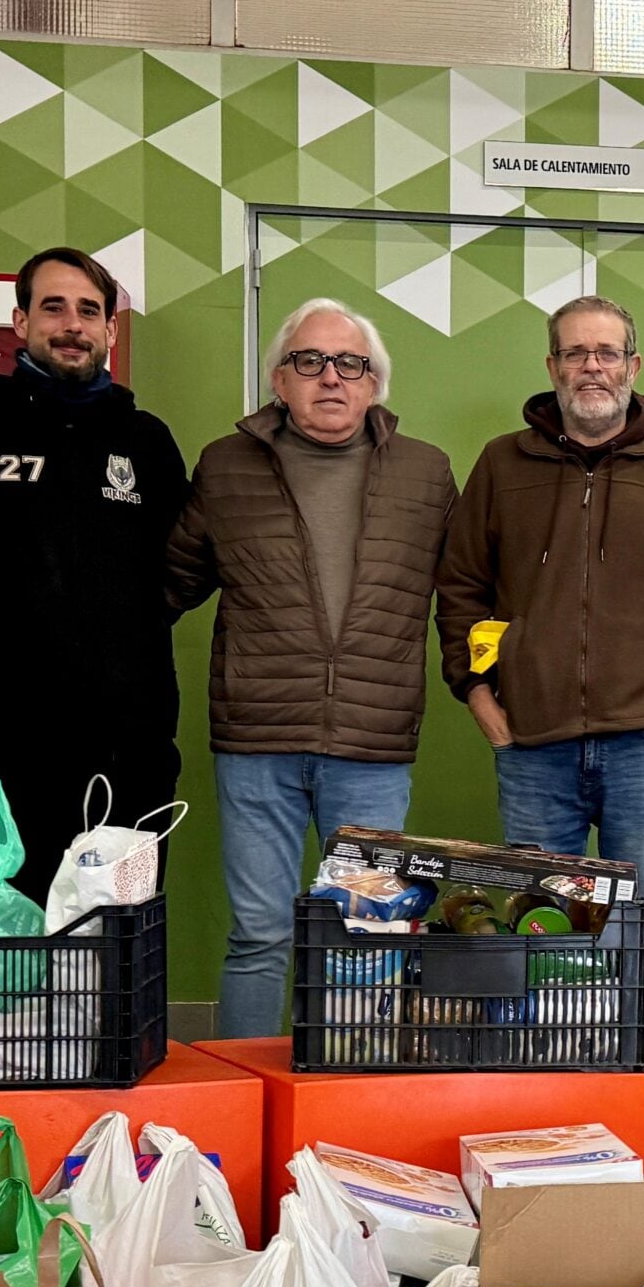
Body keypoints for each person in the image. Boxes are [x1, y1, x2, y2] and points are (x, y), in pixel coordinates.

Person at [435, 295, 644, 1030]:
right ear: (552, 367)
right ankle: (543, 1086)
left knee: (642, 942)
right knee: (536, 940)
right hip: (532, 749)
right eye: (576, 352)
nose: (592, 366)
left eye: (607, 352)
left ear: (633, 366)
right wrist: (481, 698)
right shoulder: (502, 464)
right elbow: (458, 589)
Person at [166, 300, 456, 1038]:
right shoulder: (226, 465)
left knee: (367, 940)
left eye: (350, 363)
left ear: (374, 384)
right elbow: (166, 585)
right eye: (310, 361)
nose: (331, 377)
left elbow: (469, 592)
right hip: (256, 741)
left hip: (372, 746)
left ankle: (348, 1096)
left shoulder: (426, 474)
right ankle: (245, 1104)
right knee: (259, 936)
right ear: (278, 380)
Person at [0, 247, 190, 901]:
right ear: (20, 321)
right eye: (54, 307)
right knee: (7, 942)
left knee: (124, 943)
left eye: (89, 310)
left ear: (110, 329)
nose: (72, 324)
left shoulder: (147, 442)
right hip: (1, 743)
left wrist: (126, 630)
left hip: (128, 744)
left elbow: (187, 563)